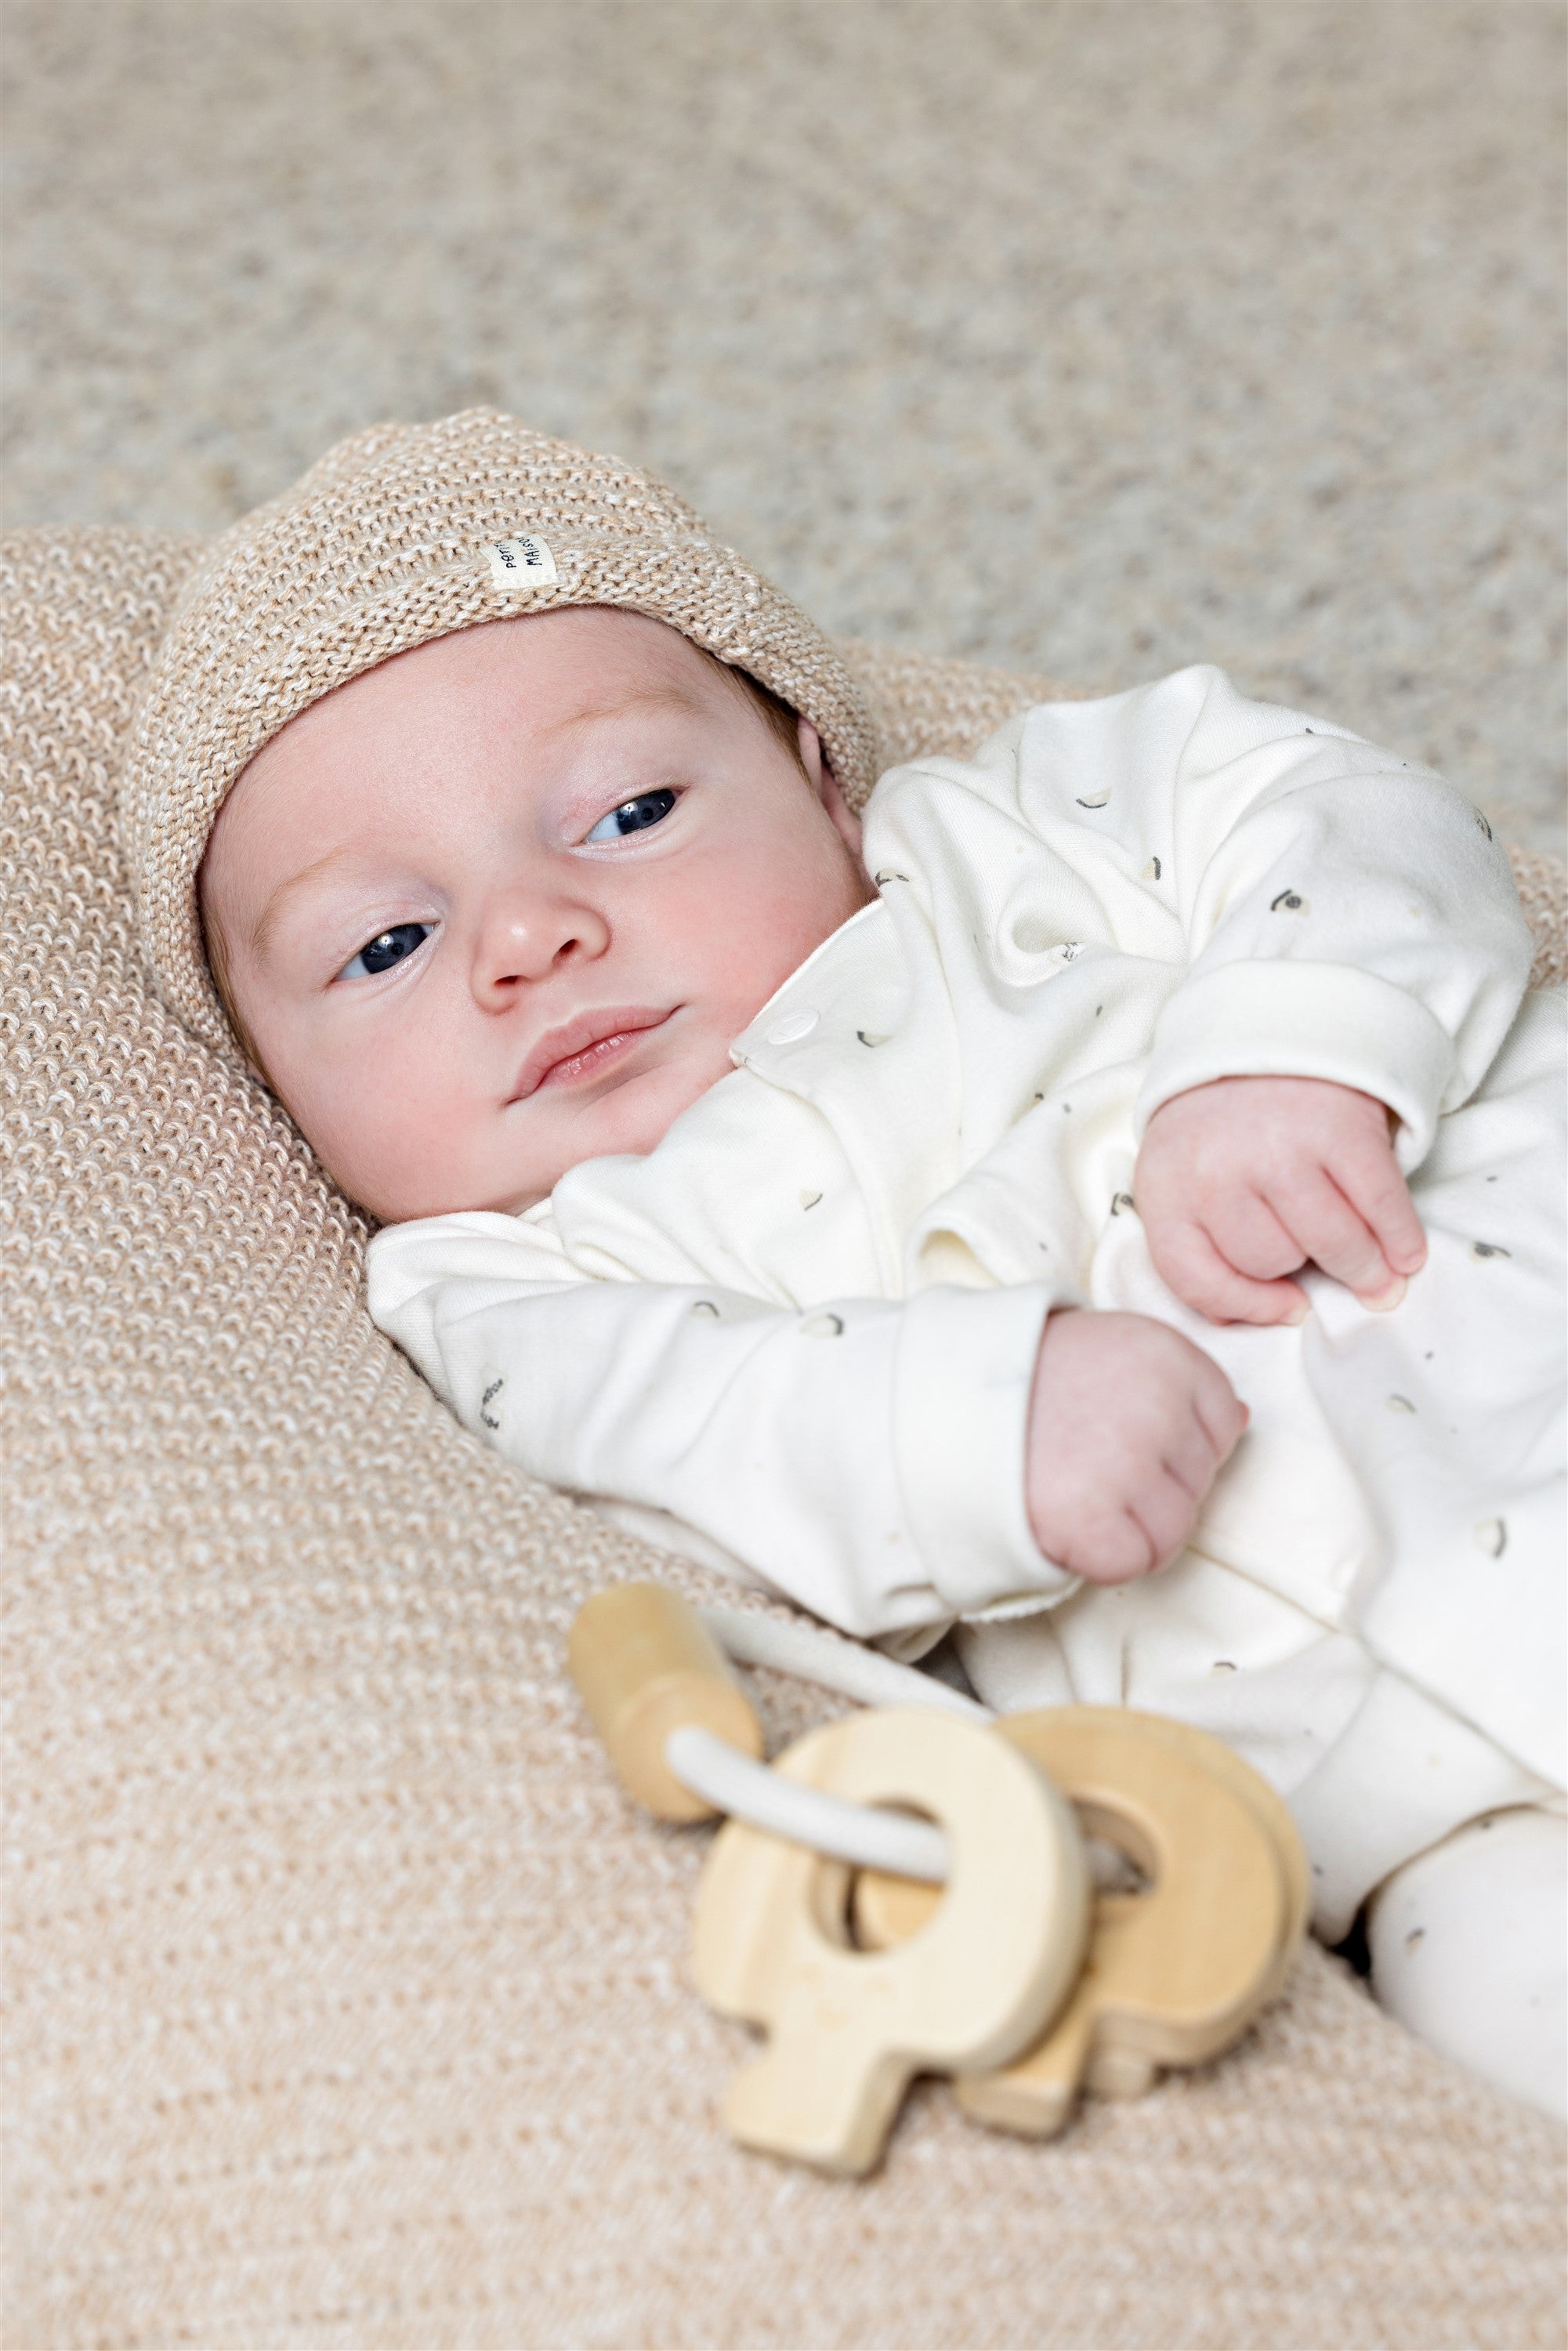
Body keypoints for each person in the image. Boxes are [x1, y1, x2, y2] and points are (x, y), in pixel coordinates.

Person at [121, 410, 1566, 2119]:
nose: (526, 937)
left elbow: (1326, 801)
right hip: (1398, 1813)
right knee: (1505, 1989)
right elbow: (697, 1421)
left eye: (631, 811)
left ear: (824, 781)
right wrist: (973, 1427)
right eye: (383, 942)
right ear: (278, 1091)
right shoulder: (503, 1290)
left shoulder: (1010, 843)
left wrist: (1285, 1049)